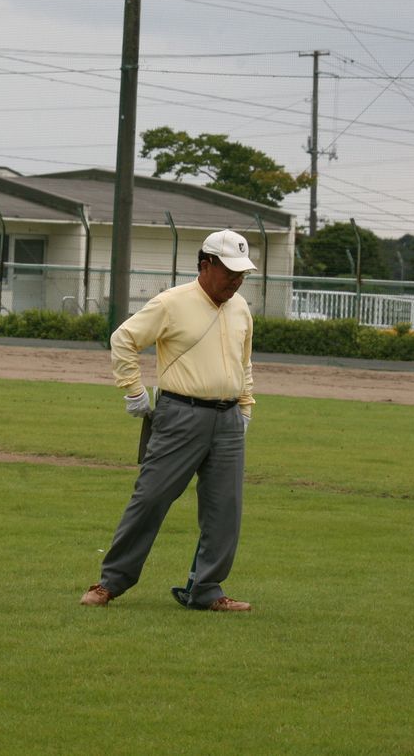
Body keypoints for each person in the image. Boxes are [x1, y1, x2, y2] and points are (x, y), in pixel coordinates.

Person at [81, 229, 256, 612]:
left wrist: (245, 405)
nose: (237, 280)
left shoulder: (241, 307)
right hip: (180, 414)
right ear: (205, 265)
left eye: (242, 273)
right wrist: (133, 389)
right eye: (230, 271)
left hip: (228, 419)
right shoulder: (171, 303)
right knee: (150, 500)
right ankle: (110, 582)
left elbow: (244, 363)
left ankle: (206, 589)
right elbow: (123, 338)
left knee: (225, 509)